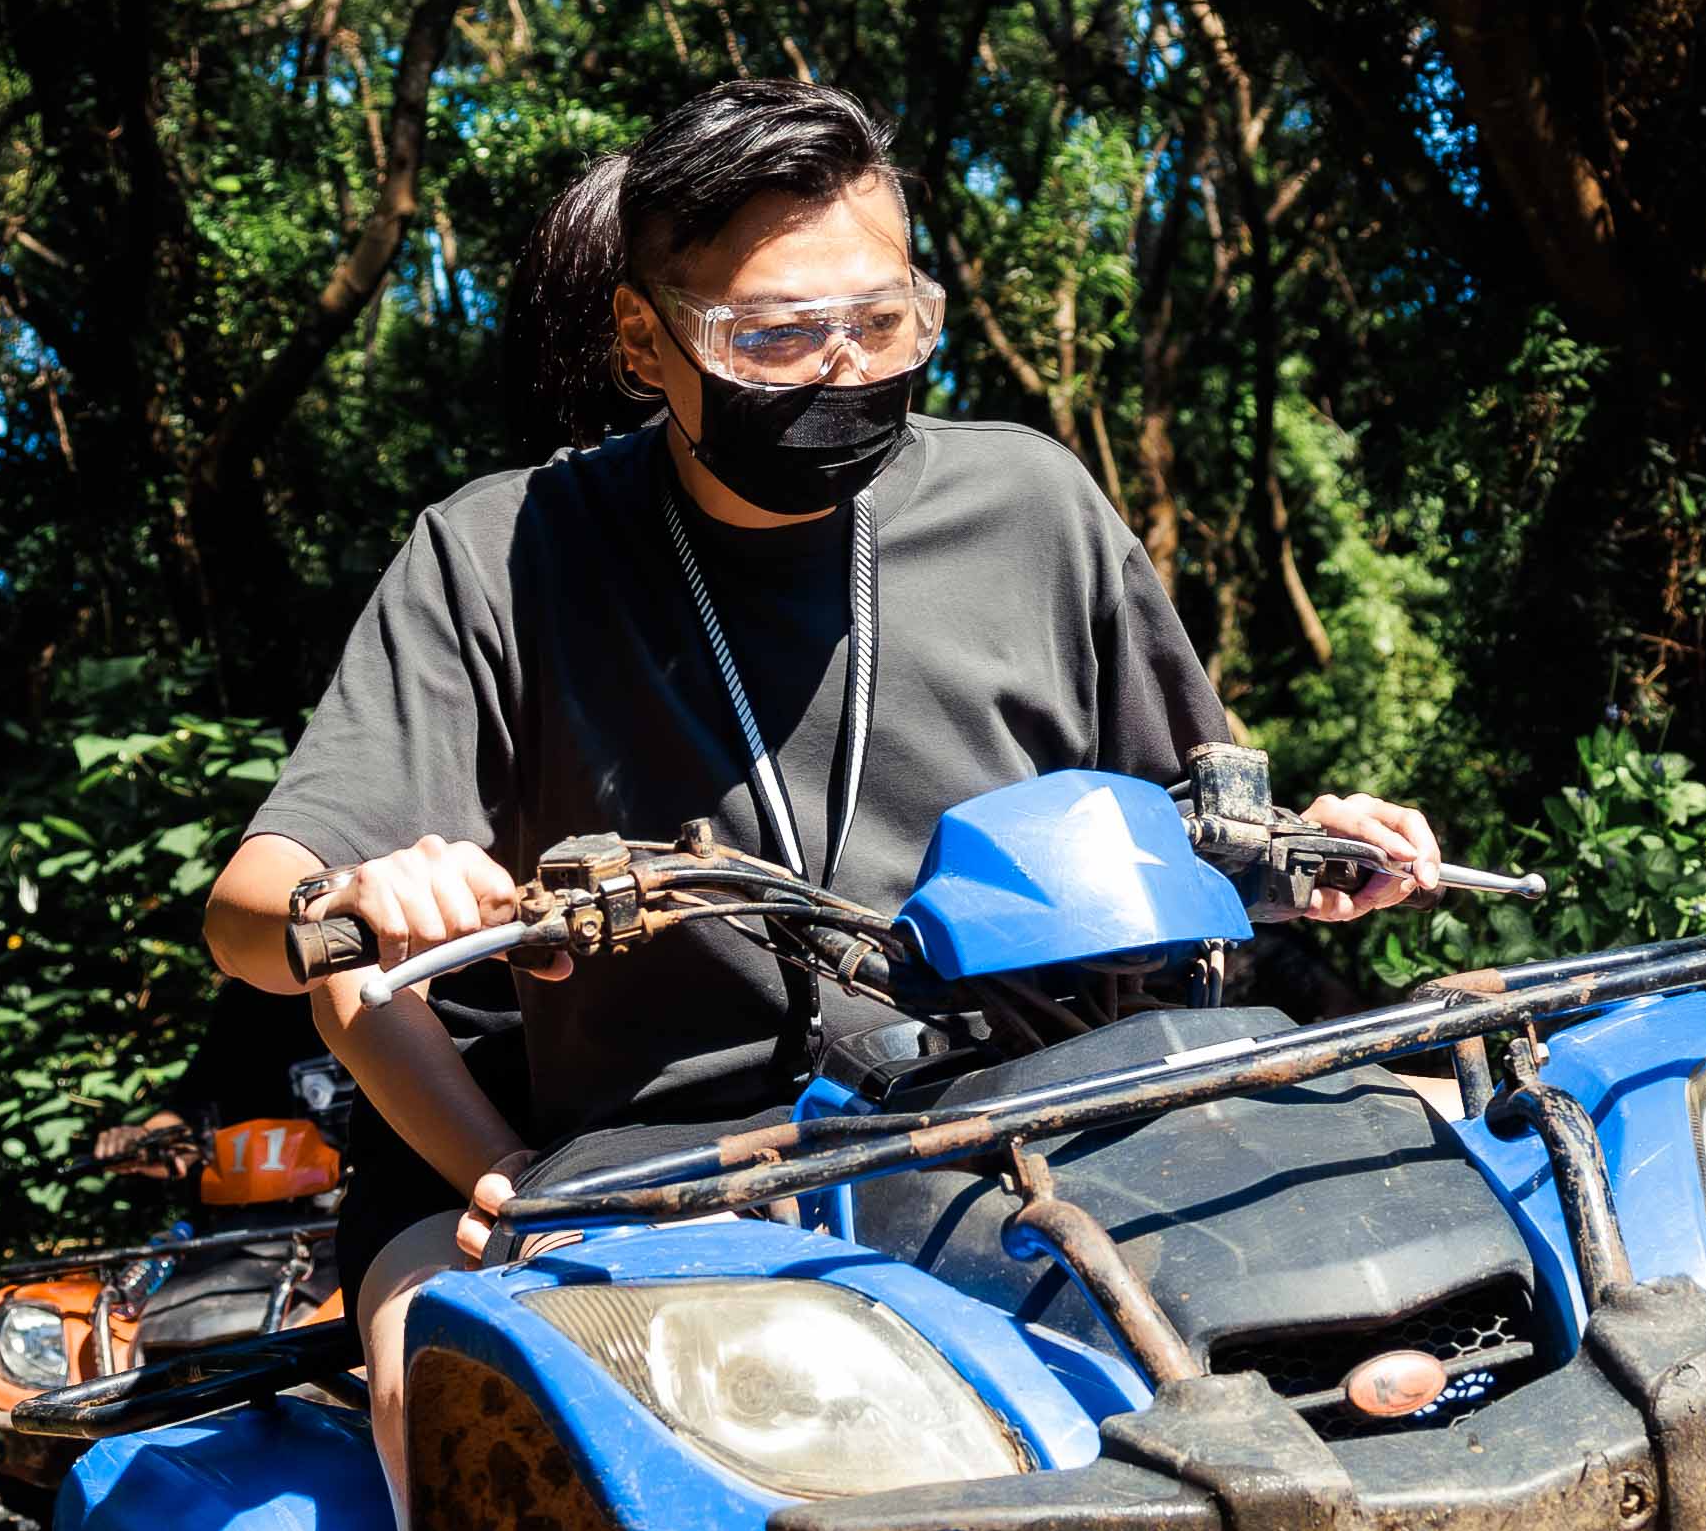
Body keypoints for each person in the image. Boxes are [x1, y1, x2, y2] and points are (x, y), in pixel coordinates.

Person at [207, 76, 1444, 1260]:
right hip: (672, 1202)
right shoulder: (496, 553)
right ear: (643, 340)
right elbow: (252, 915)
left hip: (1052, 1138)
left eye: (882, 321)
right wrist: (359, 913)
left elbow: (1187, 841)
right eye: (778, 336)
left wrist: (1300, 856)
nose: (844, 369)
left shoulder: (1032, 506)